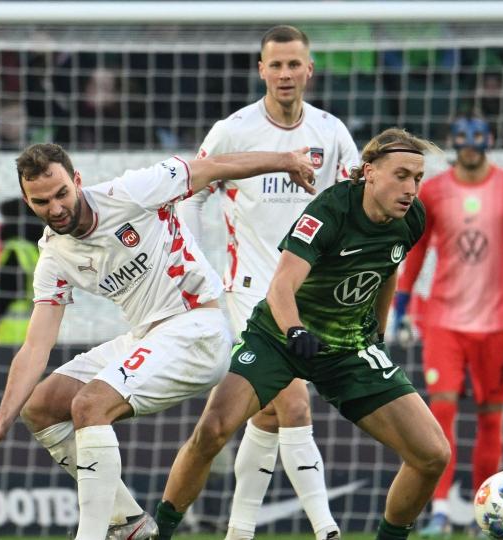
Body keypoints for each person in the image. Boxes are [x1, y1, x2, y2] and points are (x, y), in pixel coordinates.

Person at [0, 142, 318, 540]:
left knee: (90, 405)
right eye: (41, 201)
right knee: (40, 408)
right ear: (28, 201)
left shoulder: (132, 192)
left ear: (77, 181)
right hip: (148, 334)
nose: (56, 208)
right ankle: (129, 523)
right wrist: (1, 421)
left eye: (62, 193)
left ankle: (91, 535)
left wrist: (286, 161)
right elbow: (35, 347)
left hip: (198, 324)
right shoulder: (54, 257)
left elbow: (214, 167)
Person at [154, 128, 451, 540]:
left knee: (433, 455)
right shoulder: (328, 212)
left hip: (349, 348)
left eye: (417, 178)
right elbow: (280, 286)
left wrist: (377, 334)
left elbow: (388, 269)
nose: (411, 188)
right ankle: (160, 531)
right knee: (212, 430)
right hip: (279, 338)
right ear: (370, 173)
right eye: (401, 175)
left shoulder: (412, 218)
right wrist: (294, 331)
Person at [178, 25, 359, 540]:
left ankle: (239, 530)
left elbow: (350, 206)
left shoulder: (331, 132)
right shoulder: (233, 131)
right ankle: (327, 529)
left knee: (268, 415)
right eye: (274, 64)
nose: (284, 73)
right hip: (250, 291)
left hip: (309, 297)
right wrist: (196, 265)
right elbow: (190, 189)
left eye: (293, 64)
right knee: (295, 400)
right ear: (261, 70)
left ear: (309, 70)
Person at [392, 117, 503, 537]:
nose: (469, 147)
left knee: (491, 418)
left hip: (496, 322)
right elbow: (415, 253)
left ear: (489, 141)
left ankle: (479, 517)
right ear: (454, 143)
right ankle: (437, 510)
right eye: (462, 140)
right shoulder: (432, 192)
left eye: (477, 139)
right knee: (443, 412)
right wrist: (401, 306)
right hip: (443, 320)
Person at [0, 198, 45, 344]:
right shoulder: (37, 251)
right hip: (38, 328)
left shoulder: (16, 249)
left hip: (13, 332)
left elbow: (6, 290)